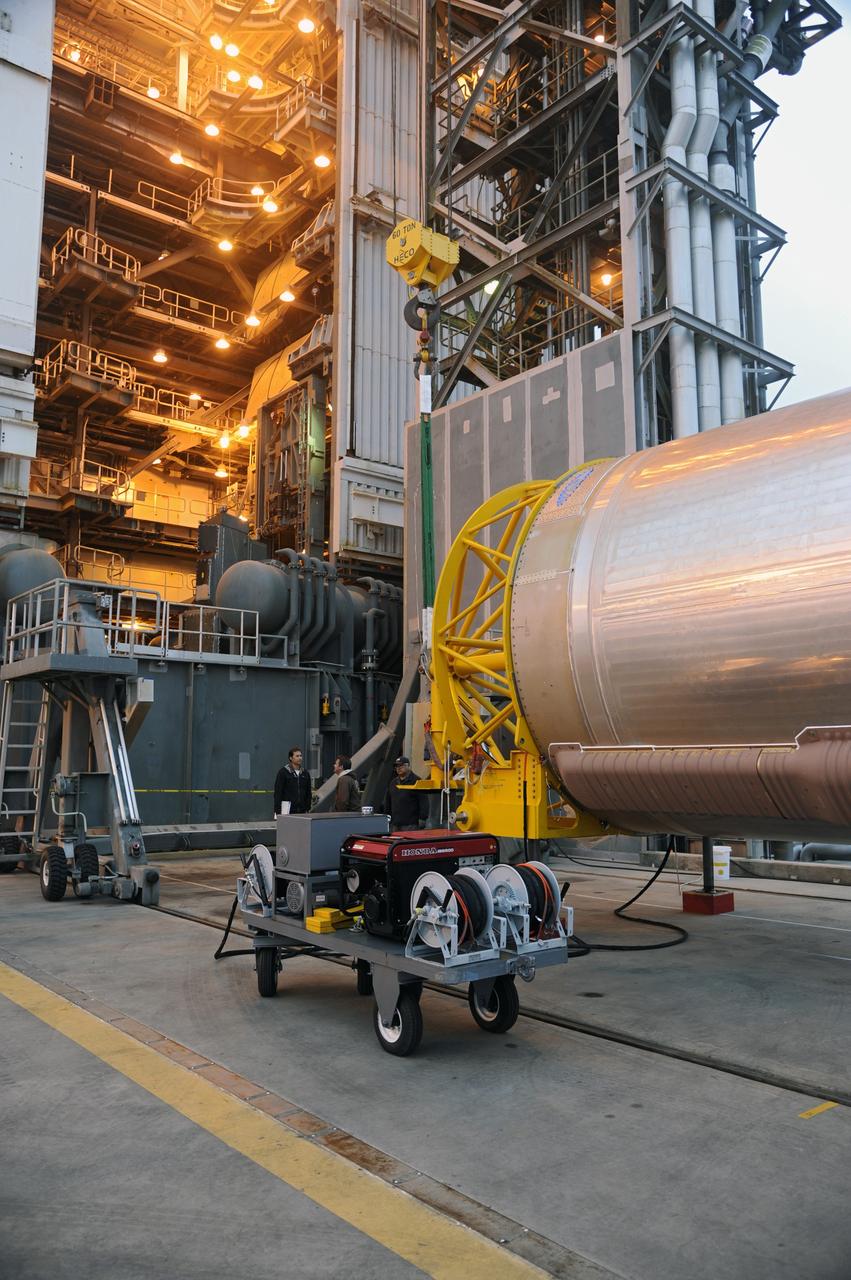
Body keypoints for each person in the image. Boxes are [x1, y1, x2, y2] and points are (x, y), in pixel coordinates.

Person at [385, 756, 428, 832]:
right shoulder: (393, 783)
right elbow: (388, 801)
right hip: (395, 825)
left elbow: (423, 802)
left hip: (411, 825)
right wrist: (387, 817)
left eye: (401, 765)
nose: (398, 768)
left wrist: (422, 819)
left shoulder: (417, 781)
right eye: (396, 766)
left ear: (408, 766)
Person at [273, 747, 312, 816]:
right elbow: (278, 792)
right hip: (287, 810)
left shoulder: (305, 773)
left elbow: (308, 792)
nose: (300, 758)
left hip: (302, 810)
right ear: (291, 758)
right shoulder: (283, 772)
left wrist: (307, 807)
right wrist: (277, 810)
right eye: (297, 756)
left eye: (300, 756)